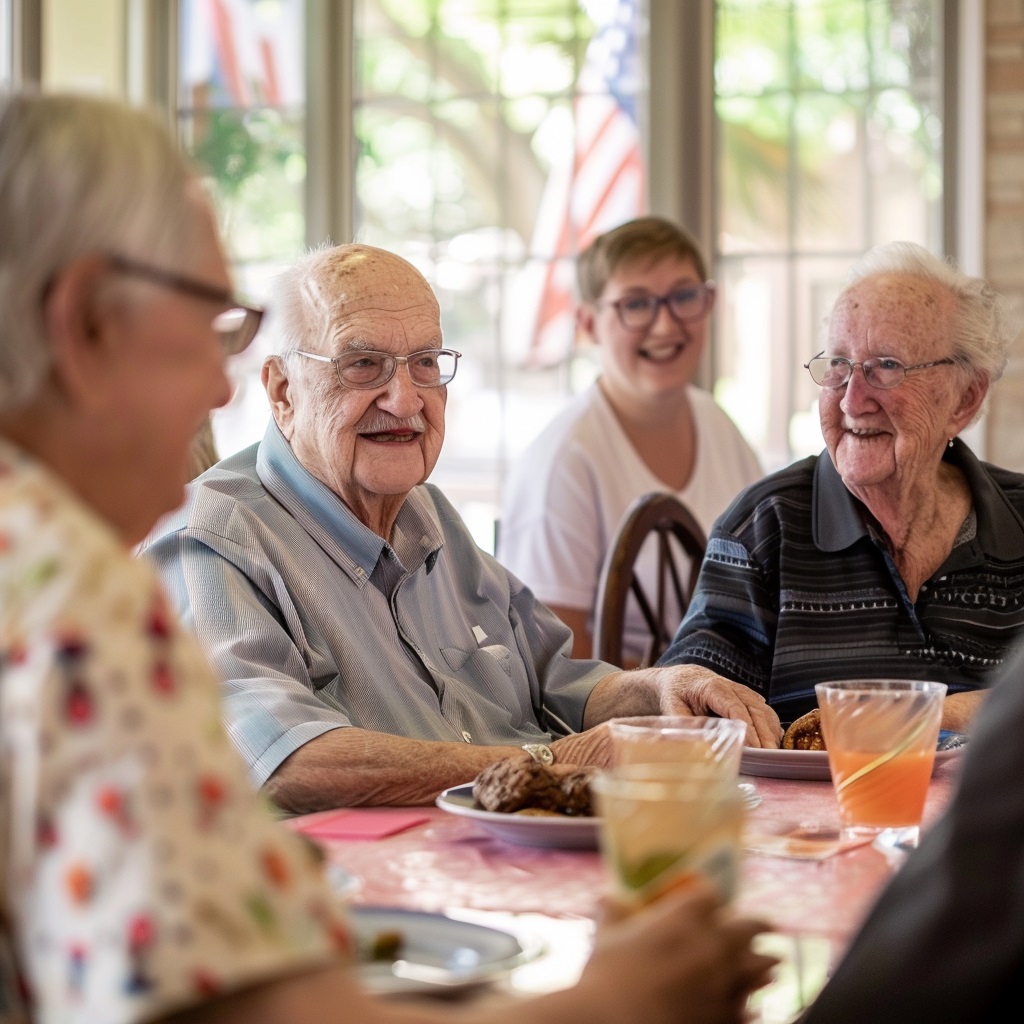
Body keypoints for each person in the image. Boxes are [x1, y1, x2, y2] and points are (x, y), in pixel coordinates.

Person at [0, 88, 778, 1024]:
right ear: (86, 325)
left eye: (425, 365)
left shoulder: (45, 568)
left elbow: (553, 672)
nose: (219, 382)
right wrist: (610, 1001)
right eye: (214, 323)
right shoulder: (75, 603)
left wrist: (650, 692)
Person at [141, 241, 781, 816]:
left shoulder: (429, 512)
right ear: (283, 389)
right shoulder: (213, 535)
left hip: (523, 865)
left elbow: (558, 682)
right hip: (377, 907)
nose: (405, 399)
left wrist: (665, 685)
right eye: (363, 365)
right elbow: (281, 762)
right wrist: (548, 767)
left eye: (425, 363)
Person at [658, 241, 1024, 737]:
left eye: (887, 366)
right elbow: (688, 711)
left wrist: (938, 716)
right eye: (838, 365)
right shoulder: (767, 526)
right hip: (809, 815)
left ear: (965, 397)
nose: (853, 399)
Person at [497, 216, 762, 663]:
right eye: (636, 304)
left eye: (684, 296)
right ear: (588, 322)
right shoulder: (564, 461)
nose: (665, 326)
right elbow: (554, 671)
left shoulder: (720, 428)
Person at [798, 634, 1024, 1023]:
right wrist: (677, 679)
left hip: (927, 853)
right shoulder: (762, 569)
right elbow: (676, 671)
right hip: (811, 855)